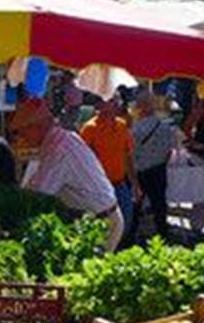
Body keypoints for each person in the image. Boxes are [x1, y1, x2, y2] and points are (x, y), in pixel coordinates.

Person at [8, 97, 122, 250]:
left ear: (38, 127)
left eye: (22, 132)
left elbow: (39, 195)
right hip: (95, 218)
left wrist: (10, 208)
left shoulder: (59, 149)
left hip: (102, 222)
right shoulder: (59, 140)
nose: (21, 137)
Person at [81, 98, 137, 242]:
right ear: (98, 105)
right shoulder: (89, 129)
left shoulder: (122, 126)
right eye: (105, 102)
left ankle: (119, 251)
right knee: (104, 226)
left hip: (119, 183)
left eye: (112, 102)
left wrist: (135, 185)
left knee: (125, 221)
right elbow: (83, 162)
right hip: (99, 187)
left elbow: (128, 157)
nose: (109, 106)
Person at [131, 90, 178, 241]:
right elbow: (170, 150)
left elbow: (130, 153)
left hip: (139, 171)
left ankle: (130, 234)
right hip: (158, 169)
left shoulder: (134, 129)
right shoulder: (165, 127)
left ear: (141, 107)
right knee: (159, 204)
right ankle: (163, 234)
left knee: (136, 205)